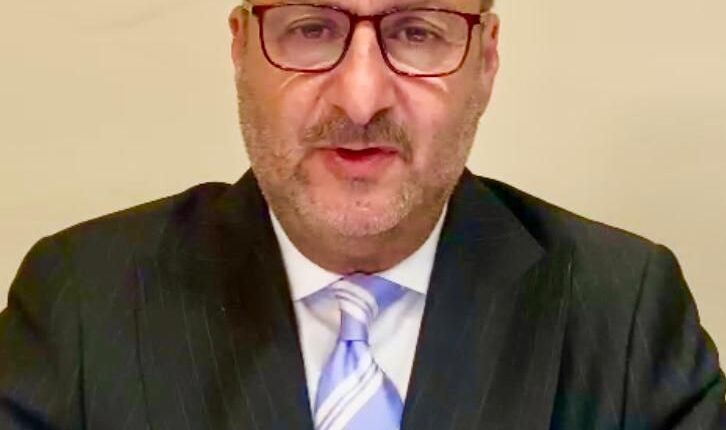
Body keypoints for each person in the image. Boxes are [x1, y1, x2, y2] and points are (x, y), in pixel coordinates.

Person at [1, 0, 724, 428]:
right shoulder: (82, 304)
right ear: (241, 49)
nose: (360, 98)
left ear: (486, 61)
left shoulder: (622, 313)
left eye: (416, 31)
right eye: (312, 28)